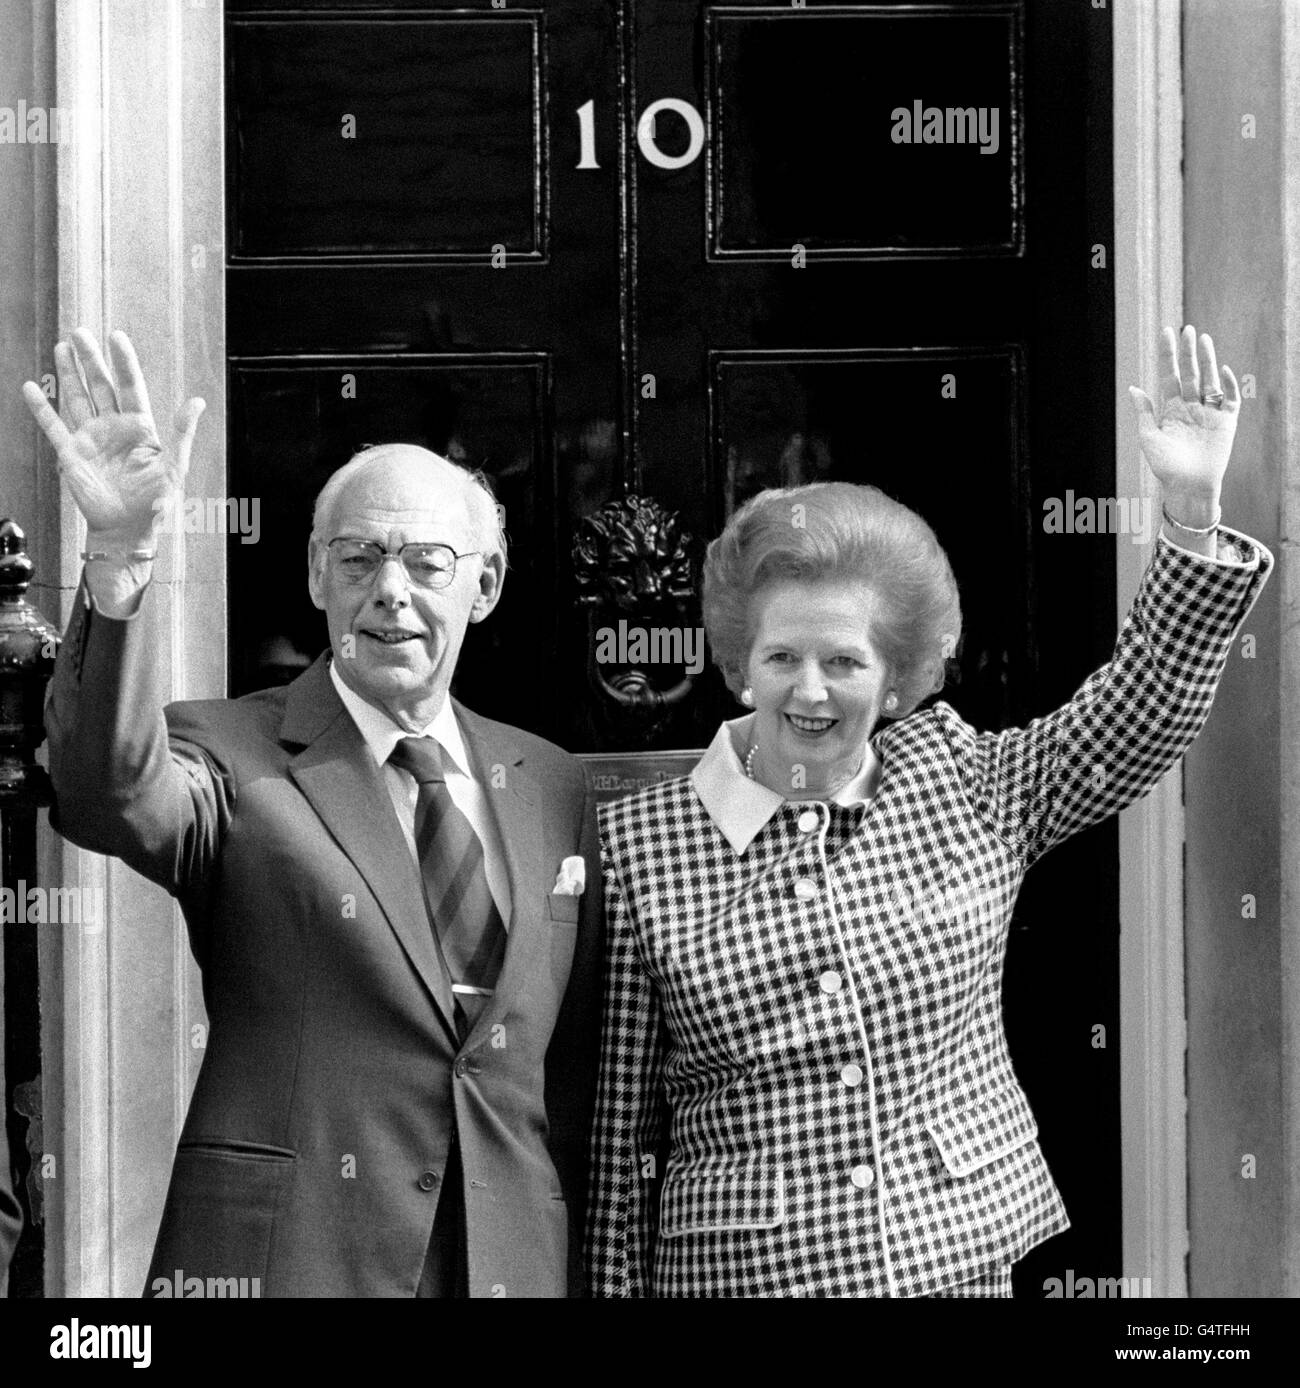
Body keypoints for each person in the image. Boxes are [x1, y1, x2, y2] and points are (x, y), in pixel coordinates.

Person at [585, 326, 1272, 1298]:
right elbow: (622, 1135)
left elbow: (1142, 709)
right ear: (739, 660)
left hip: (950, 1255)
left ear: (898, 672)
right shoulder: (639, 841)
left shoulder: (959, 776)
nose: (811, 691)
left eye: (846, 660)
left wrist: (1192, 514)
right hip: (742, 1276)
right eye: (783, 657)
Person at [29, 328, 603, 1297]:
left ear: (486, 583)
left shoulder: (549, 783)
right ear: (314, 575)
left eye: (427, 560)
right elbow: (110, 788)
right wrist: (122, 561)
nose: (391, 590)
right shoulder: (233, 752)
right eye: (359, 556)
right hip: (290, 1264)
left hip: (509, 1265)